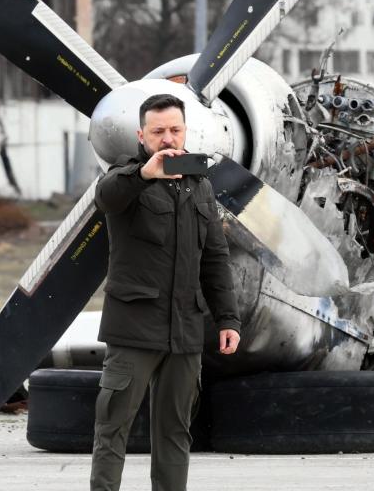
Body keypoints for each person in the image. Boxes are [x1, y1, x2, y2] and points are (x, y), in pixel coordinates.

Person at [90, 93, 241, 491]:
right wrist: (146, 175)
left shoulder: (200, 187)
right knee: (112, 428)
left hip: (185, 331)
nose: (168, 139)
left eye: (175, 129)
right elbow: (105, 197)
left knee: (175, 432)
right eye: (158, 132)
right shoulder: (126, 178)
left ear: (186, 130)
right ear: (142, 136)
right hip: (134, 328)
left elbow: (215, 260)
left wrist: (227, 319)